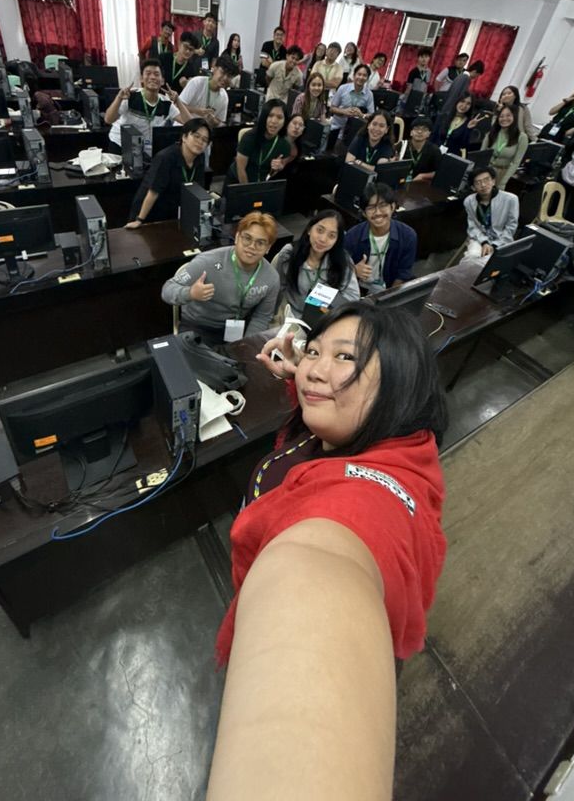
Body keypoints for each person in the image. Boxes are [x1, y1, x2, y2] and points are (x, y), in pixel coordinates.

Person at [208, 302, 448, 798]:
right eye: (316, 351)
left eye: (345, 358)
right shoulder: (388, 440)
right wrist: (298, 368)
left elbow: (321, 574)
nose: (316, 369)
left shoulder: (359, 508)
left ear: (400, 382)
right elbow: (322, 386)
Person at [161, 211, 279, 345]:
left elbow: (261, 317)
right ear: (237, 237)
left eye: (260, 243)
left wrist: (246, 344)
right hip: (199, 326)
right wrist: (190, 293)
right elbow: (167, 290)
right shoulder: (207, 262)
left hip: (238, 329)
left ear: (268, 248)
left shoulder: (271, 277)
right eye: (247, 238)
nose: (252, 246)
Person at [272, 210, 360, 319]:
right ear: (309, 229)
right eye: (319, 230)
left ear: (337, 240)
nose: (323, 239)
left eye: (331, 236)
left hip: (325, 319)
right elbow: (275, 289)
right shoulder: (289, 254)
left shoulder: (343, 260)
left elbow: (353, 298)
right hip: (292, 317)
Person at [125, 118, 211, 228]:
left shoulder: (200, 157)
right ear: (184, 137)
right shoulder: (165, 158)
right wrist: (139, 219)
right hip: (150, 211)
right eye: (196, 136)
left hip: (174, 211)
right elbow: (153, 192)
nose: (200, 142)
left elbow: (197, 188)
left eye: (204, 140)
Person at [104, 58, 191, 156]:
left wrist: (178, 101)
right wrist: (119, 98)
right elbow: (108, 119)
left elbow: (189, 123)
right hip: (120, 144)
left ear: (162, 81)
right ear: (141, 78)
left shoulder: (166, 103)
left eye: (156, 74)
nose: (152, 77)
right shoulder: (130, 96)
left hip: (144, 149)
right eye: (148, 73)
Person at [344, 183, 417, 293]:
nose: (377, 212)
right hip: (358, 289)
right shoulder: (352, 236)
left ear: (392, 207)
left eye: (383, 205)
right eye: (371, 207)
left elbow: (403, 273)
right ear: (364, 213)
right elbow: (339, 267)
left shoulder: (408, 236)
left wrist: (388, 297)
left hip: (390, 289)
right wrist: (353, 270)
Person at [225, 98, 292, 184]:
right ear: (264, 117)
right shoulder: (249, 137)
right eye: (270, 115)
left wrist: (278, 167)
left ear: (285, 121)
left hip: (261, 183)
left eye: (279, 117)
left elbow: (276, 171)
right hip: (238, 181)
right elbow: (241, 169)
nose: (274, 121)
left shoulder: (284, 145)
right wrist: (249, 192)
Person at [463, 165, 519, 260]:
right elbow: (472, 227)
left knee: (492, 262)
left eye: (486, 180)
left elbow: (511, 227)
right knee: (472, 256)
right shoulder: (469, 201)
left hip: (502, 240)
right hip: (480, 238)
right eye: (478, 182)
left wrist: (494, 244)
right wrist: (484, 242)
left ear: (493, 181)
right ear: (473, 187)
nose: (483, 185)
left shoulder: (511, 199)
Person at [179, 57, 238, 128]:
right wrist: (197, 111)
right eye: (223, 72)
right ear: (214, 69)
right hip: (183, 126)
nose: (225, 78)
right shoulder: (197, 83)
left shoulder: (224, 97)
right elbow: (177, 106)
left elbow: (219, 121)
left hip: (202, 132)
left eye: (229, 76)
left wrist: (213, 120)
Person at [434, 59, 486, 138]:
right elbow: (456, 96)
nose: (476, 77)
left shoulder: (461, 76)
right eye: (477, 75)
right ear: (475, 71)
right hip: (448, 110)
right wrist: (450, 111)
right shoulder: (465, 78)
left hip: (446, 107)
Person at [483, 103, 529, 188]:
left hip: (502, 173)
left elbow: (516, 162)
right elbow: (481, 156)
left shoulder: (522, 137)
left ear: (514, 117)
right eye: (501, 116)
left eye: (508, 116)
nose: (504, 119)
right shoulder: (491, 133)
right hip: (486, 172)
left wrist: (503, 182)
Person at [328, 63, 375, 140]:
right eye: (359, 74)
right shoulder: (343, 88)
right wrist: (344, 111)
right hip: (336, 128)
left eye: (364, 75)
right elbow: (332, 108)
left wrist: (362, 115)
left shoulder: (369, 94)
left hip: (354, 132)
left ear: (367, 78)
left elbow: (372, 115)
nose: (361, 77)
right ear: (354, 75)